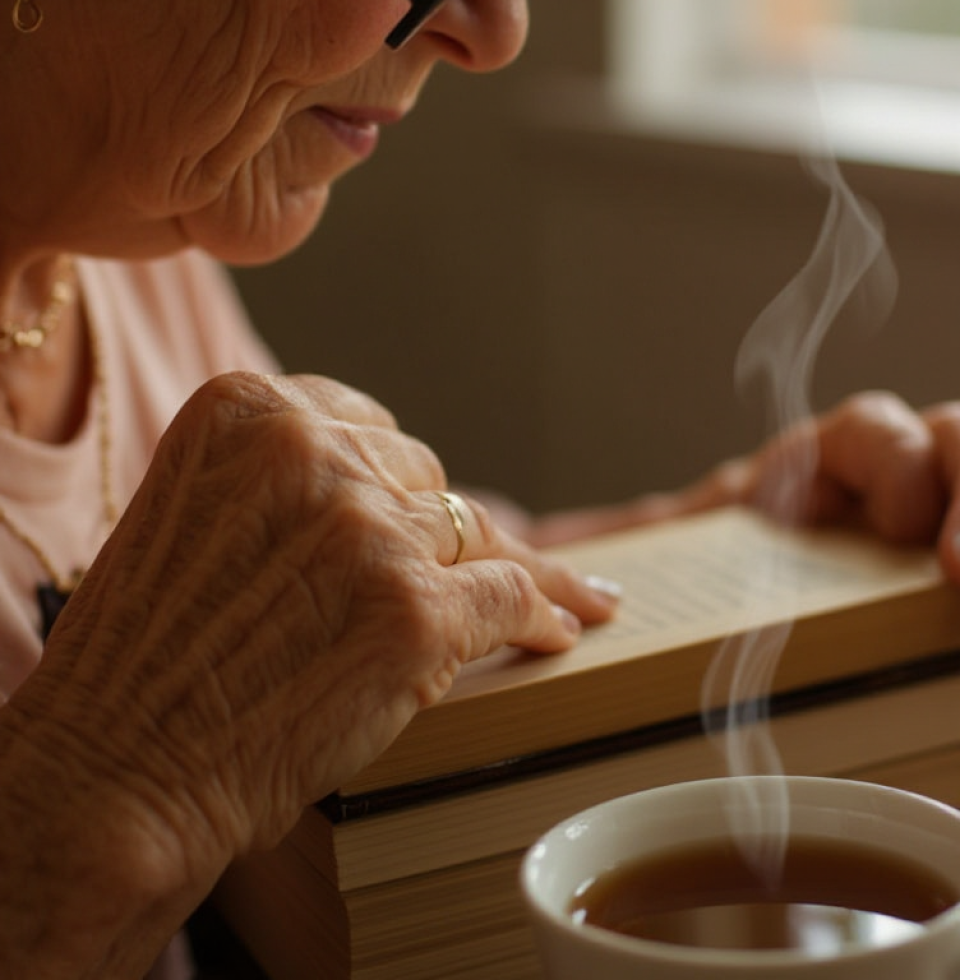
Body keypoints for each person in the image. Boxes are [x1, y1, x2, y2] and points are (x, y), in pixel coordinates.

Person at [2, 2, 960, 978]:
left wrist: (736, 535)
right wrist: (105, 784)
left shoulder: (119, 254)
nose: (497, 34)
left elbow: (306, 598)